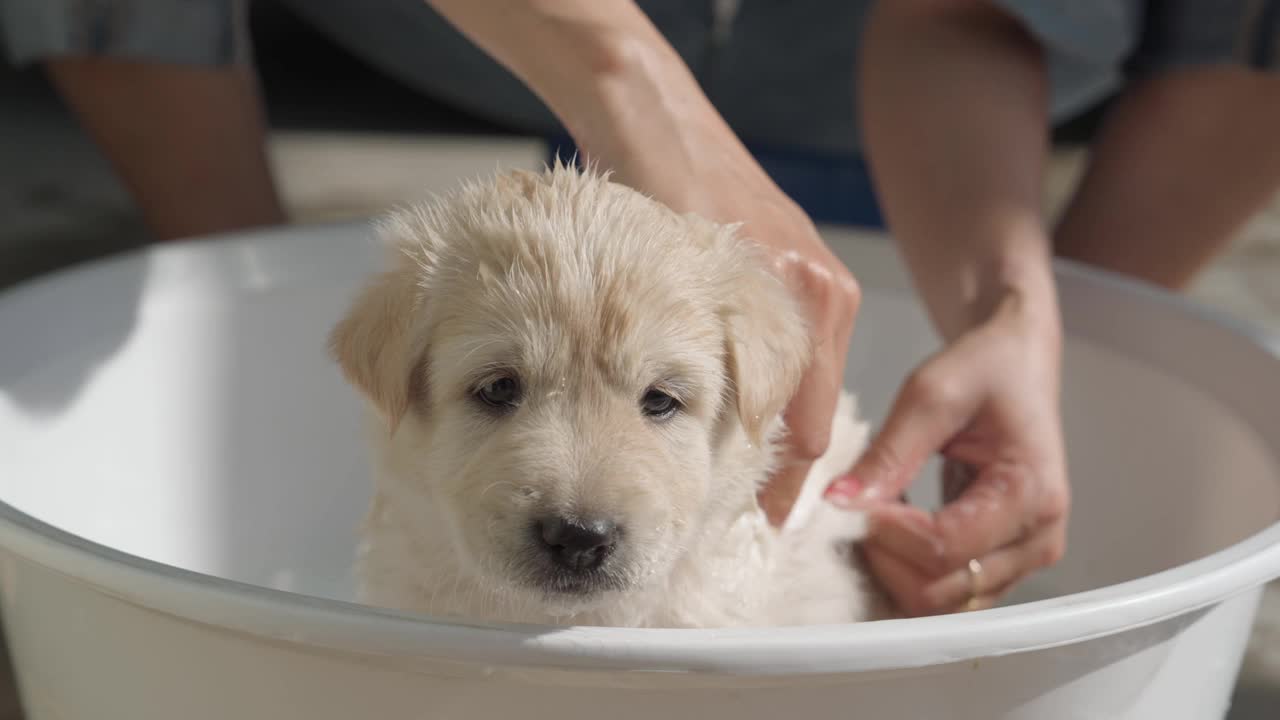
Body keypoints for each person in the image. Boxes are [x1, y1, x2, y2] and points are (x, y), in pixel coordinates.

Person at [3, 0, 1278, 617]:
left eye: (662, 402)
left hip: (898, 103)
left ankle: (1099, 320)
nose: (575, 495)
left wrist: (1017, 309)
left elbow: (966, 13)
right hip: (467, 50)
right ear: (385, 378)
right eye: (496, 390)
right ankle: (213, 265)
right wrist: (621, 73)